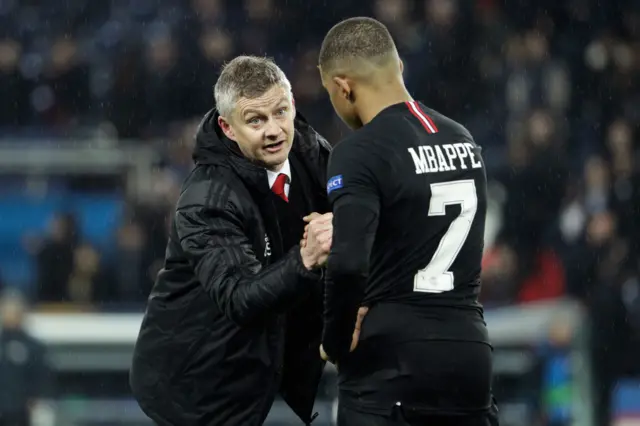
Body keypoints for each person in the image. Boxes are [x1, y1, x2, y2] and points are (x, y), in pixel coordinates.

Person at [312, 17, 499, 426]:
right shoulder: (463, 139)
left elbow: (348, 264)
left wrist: (334, 342)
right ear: (398, 67)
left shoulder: (359, 151)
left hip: (393, 363)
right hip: (470, 353)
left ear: (343, 87)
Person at [130, 55, 334, 426]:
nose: (274, 130)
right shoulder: (206, 200)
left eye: (281, 112)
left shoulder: (309, 149)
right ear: (227, 127)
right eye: (255, 120)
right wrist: (306, 259)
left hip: (270, 366)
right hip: (197, 383)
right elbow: (240, 297)